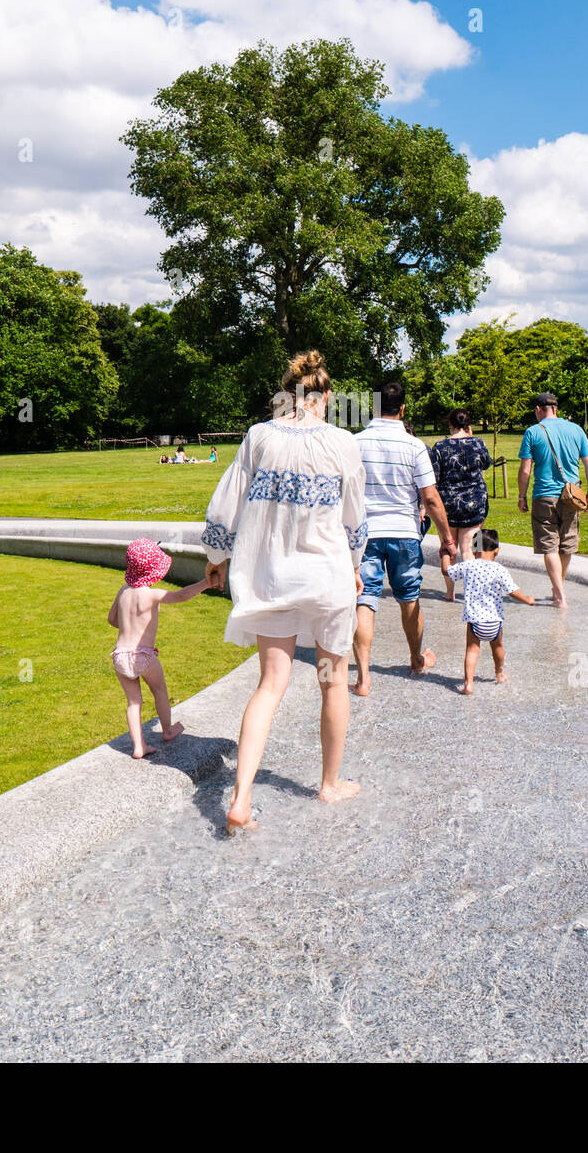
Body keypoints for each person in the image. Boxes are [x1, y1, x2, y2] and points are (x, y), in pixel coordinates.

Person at [202, 350, 368, 834]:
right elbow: (355, 520)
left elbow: (223, 509)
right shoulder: (343, 442)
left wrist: (216, 561)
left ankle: (241, 797)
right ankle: (329, 784)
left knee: (270, 683)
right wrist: (356, 568)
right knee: (332, 681)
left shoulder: (259, 436)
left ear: (287, 393)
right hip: (327, 579)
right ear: (327, 396)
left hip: (271, 578)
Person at [352, 379, 456, 696]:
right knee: (409, 597)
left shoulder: (354, 443)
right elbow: (431, 498)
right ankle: (415, 660)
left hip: (365, 533)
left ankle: (364, 678)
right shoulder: (415, 446)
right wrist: (447, 539)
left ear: (373, 406)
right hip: (404, 533)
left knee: (364, 599)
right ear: (403, 409)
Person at [108, 539, 210, 759]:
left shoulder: (123, 591)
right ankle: (168, 730)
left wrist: (128, 624)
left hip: (119, 656)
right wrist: (205, 584)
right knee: (159, 690)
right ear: (152, 570)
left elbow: (112, 620)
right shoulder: (150, 595)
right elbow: (180, 595)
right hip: (142, 656)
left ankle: (138, 746)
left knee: (134, 702)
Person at [517, 392, 588, 608]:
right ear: (556, 409)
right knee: (566, 544)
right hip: (571, 496)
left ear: (538, 409)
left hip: (544, 495)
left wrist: (522, 496)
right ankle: (558, 587)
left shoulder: (533, 432)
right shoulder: (576, 430)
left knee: (550, 547)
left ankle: (559, 594)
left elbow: (525, 470)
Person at [446, 527, 536, 692]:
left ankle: (469, 683)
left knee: (472, 650)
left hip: (474, 621)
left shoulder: (468, 566)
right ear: (497, 550)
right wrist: (527, 599)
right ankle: (499, 674)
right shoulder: (499, 569)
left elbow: (447, 572)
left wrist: (445, 555)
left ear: (474, 548)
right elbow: (512, 591)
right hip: (494, 622)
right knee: (498, 648)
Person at [430, 408, 491, 600]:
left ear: (450, 424)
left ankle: (450, 592)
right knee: (469, 548)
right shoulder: (477, 443)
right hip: (475, 502)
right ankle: (473, 593)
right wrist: (471, 438)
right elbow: (487, 463)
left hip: (447, 504)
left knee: (449, 547)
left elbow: (434, 476)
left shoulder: (439, 447)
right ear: (468, 425)